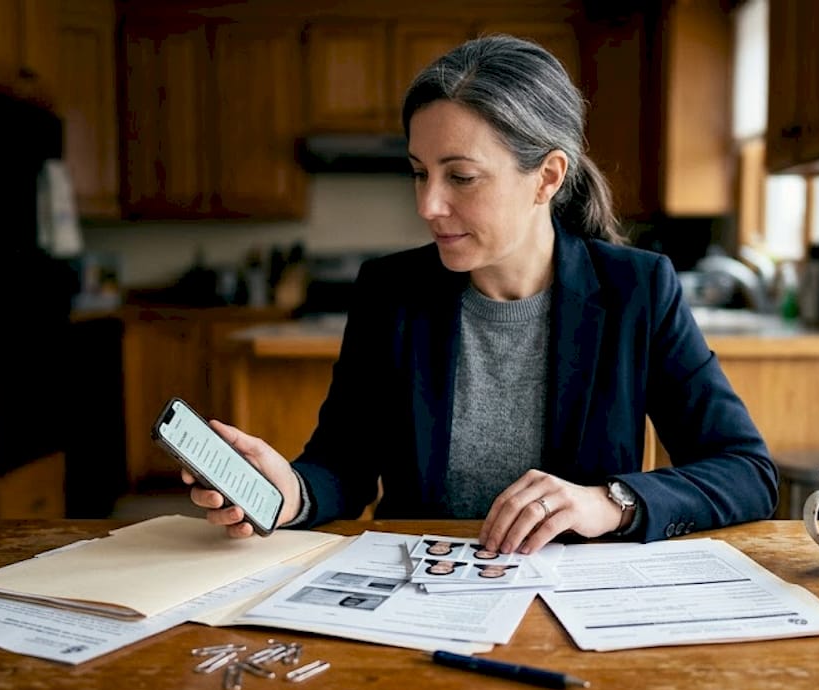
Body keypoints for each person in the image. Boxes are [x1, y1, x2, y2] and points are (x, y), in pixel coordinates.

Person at [185, 34, 776, 555]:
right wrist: (288, 492)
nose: (428, 206)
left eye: (460, 177)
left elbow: (747, 472)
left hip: (579, 607)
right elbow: (343, 466)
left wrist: (611, 501)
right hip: (416, 596)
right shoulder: (389, 292)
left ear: (547, 177)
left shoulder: (637, 290)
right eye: (420, 172)